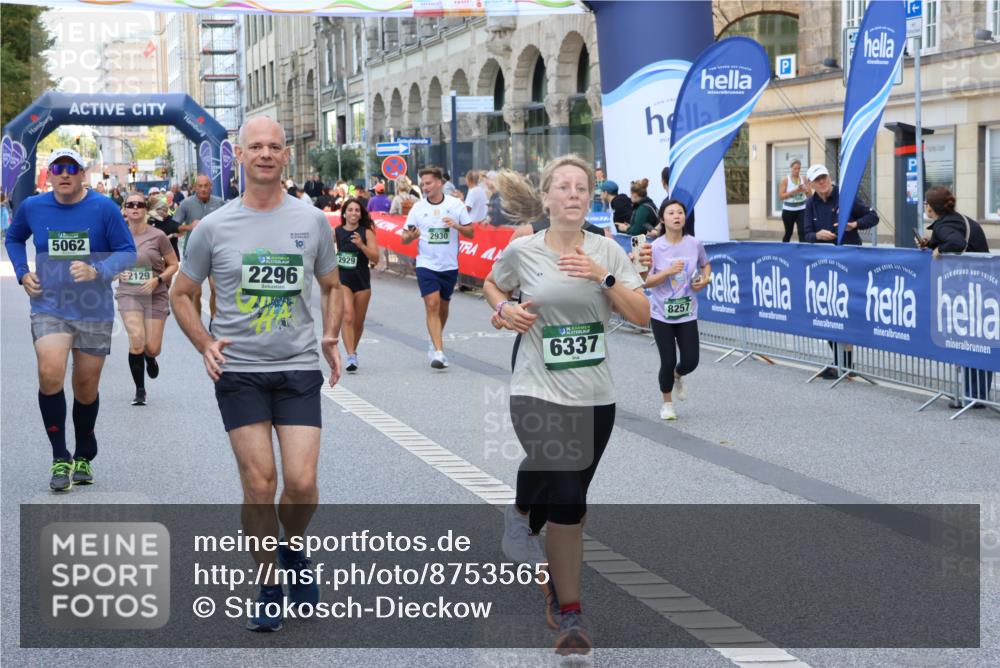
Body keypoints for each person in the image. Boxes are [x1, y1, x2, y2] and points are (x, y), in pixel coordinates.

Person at [170, 117, 343, 633]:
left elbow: (332, 285)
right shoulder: (213, 227)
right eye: (256, 147)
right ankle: (269, 583)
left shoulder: (312, 221)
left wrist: (330, 335)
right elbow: (182, 293)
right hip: (240, 370)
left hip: (296, 368)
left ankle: (292, 549)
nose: (265, 154)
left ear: (285, 156)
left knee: (304, 483)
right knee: (260, 483)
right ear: (239, 157)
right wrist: (204, 342)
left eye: (274, 146)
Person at [483, 154, 649, 655]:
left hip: (596, 396)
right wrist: (503, 308)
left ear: (589, 197)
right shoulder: (525, 250)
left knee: (570, 501)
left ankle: (534, 536)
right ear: (548, 198)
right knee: (567, 492)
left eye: (582, 187)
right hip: (535, 388)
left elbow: (642, 317)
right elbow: (493, 284)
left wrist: (604, 277)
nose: (573, 194)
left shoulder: (608, 252)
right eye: (564, 187)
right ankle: (571, 616)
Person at [4, 148, 136, 491]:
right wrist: (22, 273)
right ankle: (60, 455)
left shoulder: (103, 208)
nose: (64, 174)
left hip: (93, 308)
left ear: (83, 173)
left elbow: (127, 251)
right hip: (50, 305)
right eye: (58, 167)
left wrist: (99, 270)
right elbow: (14, 237)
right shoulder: (33, 206)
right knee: (50, 373)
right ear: (51, 174)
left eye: (71, 168)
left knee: (86, 387)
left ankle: (84, 451)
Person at [918, 186, 992, 409]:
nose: (925, 206)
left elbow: (957, 243)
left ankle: (975, 396)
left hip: (974, 288)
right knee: (973, 339)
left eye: (926, 203)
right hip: (980, 286)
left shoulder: (946, 224)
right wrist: (931, 244)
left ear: (931, 207)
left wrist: (941, 248)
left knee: (974, 340)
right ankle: (973, 394)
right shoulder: (956, 219)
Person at [803, 163, 879, 378]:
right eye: (817, 179)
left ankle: (845, 364)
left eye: (824, 177)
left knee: (845, 311)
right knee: (827, 311)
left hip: (849, 262)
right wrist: (818, 236)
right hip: (824, 265)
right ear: (811, 184)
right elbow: (806, 233)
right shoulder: (810, 204)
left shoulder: (845, 196)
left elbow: (872, 217)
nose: (822, 182)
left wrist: (854, 225)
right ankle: (840, 363)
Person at [400, 165, 474, 369]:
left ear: (440, 183)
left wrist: (457, 226)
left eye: (429, 183)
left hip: (449, 265)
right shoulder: (418, 208)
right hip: (426, 264)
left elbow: (471, 232)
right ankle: (439, 352)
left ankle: (434, 339)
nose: (425, 187)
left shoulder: (455, 205)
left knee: (443, 307)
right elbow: (404, 237)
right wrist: (410, 237)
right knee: (432, 304)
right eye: (423, 183)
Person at [645, 199, 711, 420]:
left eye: (680, 212)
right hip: (661, 313)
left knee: (691, 360)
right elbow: (646, 281)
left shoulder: (694, 244)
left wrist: (705, 279)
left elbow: (705, 264)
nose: (676, 216)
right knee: (668, 359)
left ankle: (678, 376)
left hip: (687, 311)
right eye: (671, 212)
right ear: (663, 219)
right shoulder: (655, 247)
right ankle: (667, 404)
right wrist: (667, 272)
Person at [116, 191, 179, 406]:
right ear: (124, 209)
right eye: (130, 204)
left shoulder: (158, 236)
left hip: (155, 294)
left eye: (139, 205)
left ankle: (150, 357)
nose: (135, 208)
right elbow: (107, 265)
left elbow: (174, 265)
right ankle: (140, 391)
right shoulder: (117, 236)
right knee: (136, 340)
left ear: (145, 209)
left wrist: (157, 280)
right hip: (128, 294)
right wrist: (117, 273)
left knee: (151, 347)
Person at [336, 197, 380, 373]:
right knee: (347, 316)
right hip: (343, 280)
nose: (353, 213)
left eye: (357, 210)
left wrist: (361, 245)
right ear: (344, 213)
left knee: (358, 321)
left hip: (362, 281)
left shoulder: (366, 232)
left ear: (360, 214)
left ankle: (352, 351)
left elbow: (375, 258)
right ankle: (350, 355)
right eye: (350, 210)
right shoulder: (337, 232)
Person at [173, 174, 224, 321]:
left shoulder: (219, 203)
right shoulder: (186, 204)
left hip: (215, 252)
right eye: (200, 186)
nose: (203, 189)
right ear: (195, 187)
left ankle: (214, 322)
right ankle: (197, 324)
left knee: (215, 289)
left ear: (211, 187)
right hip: (194, 253)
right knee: (195, 293)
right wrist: (189, 226)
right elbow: (174, 226)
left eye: (205, 186)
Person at [658, 166, 695, 237]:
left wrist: (657, 232)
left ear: (663, 182)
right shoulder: (688, 196)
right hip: (689, 240)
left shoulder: (667, 202)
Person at [779, 159, 809, 242]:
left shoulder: (804, 179)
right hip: (788, 210)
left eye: (799, 168)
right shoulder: (785, 180)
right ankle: (783, 251)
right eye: (795, 168)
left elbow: (810, 196)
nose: (797, 170)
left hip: (802, 209)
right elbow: (781, 196)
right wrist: (794, 191)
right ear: (791, 168)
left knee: (802, 232)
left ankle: (803, 252)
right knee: (789, 232)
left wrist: (806, 190)